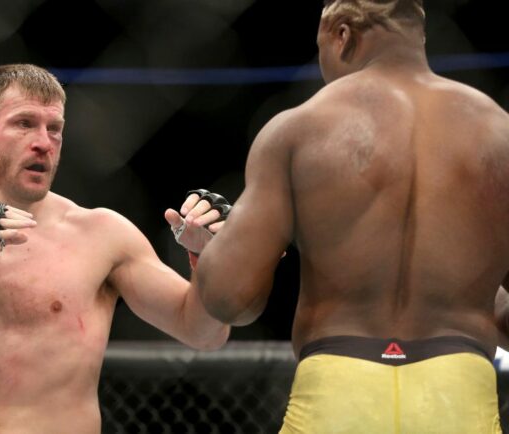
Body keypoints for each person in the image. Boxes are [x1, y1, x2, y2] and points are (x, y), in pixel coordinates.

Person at [0, 64, 231, 433]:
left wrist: (207, 262)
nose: (43, 142)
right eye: (24, 123)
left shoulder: (102, 233)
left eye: (54, 128)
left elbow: (204, 334)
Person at [192, 0, 509, 432]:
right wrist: (465, 292)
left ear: (342, 35)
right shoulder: (498, 132)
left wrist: (217, 250)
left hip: (338, 392)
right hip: (457, 393)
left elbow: (229, 297)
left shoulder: (299, 129)